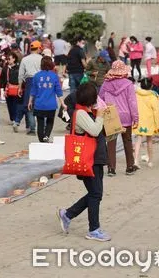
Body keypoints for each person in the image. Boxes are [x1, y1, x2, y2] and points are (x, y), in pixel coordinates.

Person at [57, 82, 110, 242]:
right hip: (89, 159)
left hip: (95, 158)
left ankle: (67, 214)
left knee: (96, 193)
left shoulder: (86, 111)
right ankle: (93, 229)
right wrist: (99, 116)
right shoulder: (80, 113)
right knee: (96, 194)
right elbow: (94, 130)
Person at [99, 60, 139, 176]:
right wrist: (136, 117)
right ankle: (130, 166)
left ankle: (111, 168)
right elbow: (132, 102)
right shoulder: (128, 84)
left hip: (111, 116)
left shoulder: (106, 84)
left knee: (111, 142)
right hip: (126, 116)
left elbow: (100, 99)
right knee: (127, 141)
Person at [28, 56, 64, 143]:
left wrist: (30, 101)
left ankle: (41, 140)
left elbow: (33, 90)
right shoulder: (54, 76)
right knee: (50, 122)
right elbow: (58, 91)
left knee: (40, 123)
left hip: (39, 104)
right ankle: (46, 136)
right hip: (51, 105)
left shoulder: (37, 76)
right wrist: (63, 103)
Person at [133, 78, 159, 169]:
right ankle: (150, 161)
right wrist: (158, 124)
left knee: (138, 140)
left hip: (139, 121)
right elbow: (156, 112)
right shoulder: (153, 96)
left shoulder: (136, 95)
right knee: (149, 141)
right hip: (149, 122)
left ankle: (136, 161)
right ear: (151, 86)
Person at [18, 41, 43, 135]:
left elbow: (21, 75)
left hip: (29, 82)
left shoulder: (25, 59)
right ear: (38, 48)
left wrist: (20, 87)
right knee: (41, 105)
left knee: (30, 106)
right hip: (41, 81)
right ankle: (42, 128)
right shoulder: (42, 58)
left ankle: (32, 129)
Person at [1, 51, 24, 132]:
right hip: (8, 88)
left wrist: (21, 88)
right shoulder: (5, 68)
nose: (8, 60)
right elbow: (2, 79)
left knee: (16, 104)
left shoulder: (19, 68)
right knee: (9, 104)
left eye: (9, 59)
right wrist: (3, 89)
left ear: (14, 59)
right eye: (7, 59)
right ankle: (12, 118)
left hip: (17, 88)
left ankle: (15, 118)